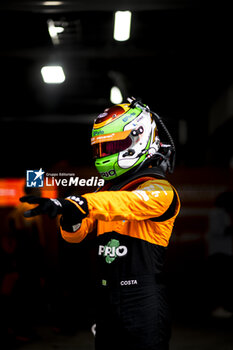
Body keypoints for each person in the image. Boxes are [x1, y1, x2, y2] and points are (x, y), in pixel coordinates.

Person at [20, 97, 180, 350]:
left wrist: (83, 204)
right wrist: (70, 216)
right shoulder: (104, 193)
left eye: (112, 146)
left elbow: (126, 202)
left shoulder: (159, 188)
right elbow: (75, 236)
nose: (105, 155)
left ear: (139, 139)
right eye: (101, 149)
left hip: (142, 299)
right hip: (106, 296)